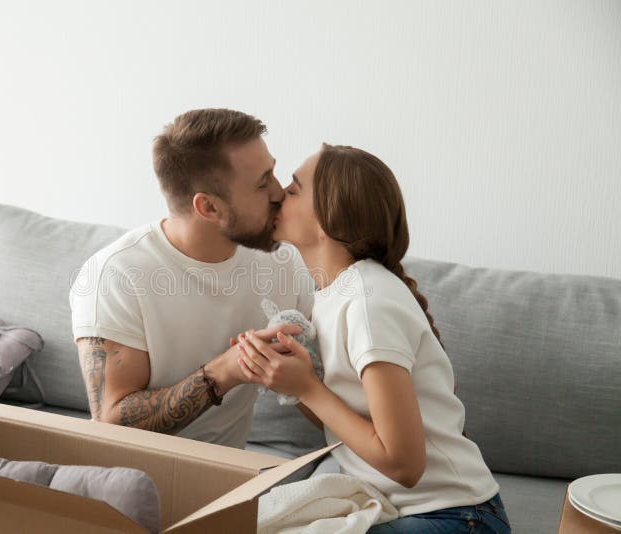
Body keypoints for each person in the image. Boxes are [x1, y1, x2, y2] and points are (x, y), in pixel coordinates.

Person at [235, 144, 511, 532]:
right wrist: (287, 380)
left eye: (294, 189)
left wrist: (309, 388)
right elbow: (353, 426)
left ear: (327, 221)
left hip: (458, 517)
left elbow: (404, 464)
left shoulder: (368, 301)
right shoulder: (336, 297)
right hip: (402, 508)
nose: (279, 194)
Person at [69, 108, 314, 449]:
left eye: (273, 172)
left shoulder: (284, 261)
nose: (279, 193)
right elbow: (110, 420)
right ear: (209, 208)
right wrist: (225, 372)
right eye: (262, 183)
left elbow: (327, 386)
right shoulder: (116, 276)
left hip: (229, 480)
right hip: (129, 479)